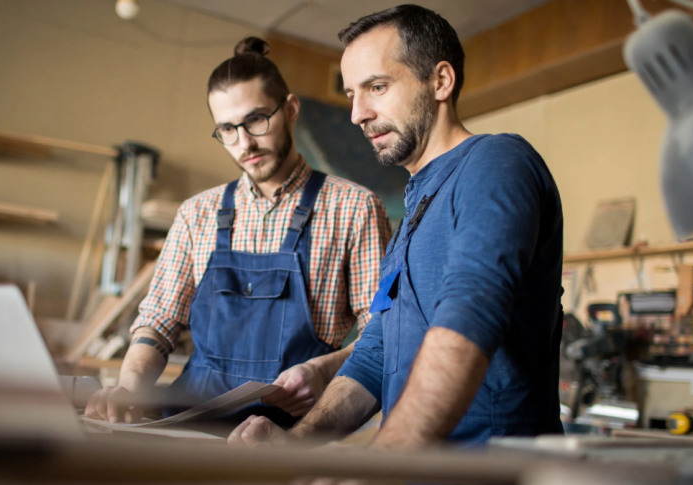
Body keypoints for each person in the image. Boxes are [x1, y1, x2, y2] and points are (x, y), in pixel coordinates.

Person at [228, 5, 564, 448]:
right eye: (351, 94)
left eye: (377, 87)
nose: (357, 114)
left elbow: (471, 315)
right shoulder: (414, 210)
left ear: (441, 81)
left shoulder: (496, 163)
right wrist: (294, 444)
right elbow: (375, 354)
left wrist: (380, 463)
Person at [84, 37, 391, 428]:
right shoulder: (198, 213)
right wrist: (128, 387)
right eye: (227, 129)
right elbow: (159, 322)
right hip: (188, 423)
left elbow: (382, 334)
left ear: (291, 110)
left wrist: (322, 370)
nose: (244, 143)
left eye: (256, 120)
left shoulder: (354, 208)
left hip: (293, 433)